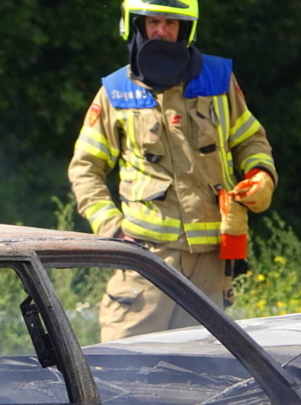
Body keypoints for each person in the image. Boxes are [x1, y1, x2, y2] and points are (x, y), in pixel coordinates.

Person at [69, 0, 277, 341]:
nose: (162, 31)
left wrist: (261, 175)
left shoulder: (218, 79)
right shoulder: (116, 91)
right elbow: (85, 168)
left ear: (186, 29)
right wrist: (112, 230)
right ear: (137, 25)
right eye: (154, 22)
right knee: (123, 361)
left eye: (171, 22)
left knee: (202, 368)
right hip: (145, 259)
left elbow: (250, 138)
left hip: (211, 260)